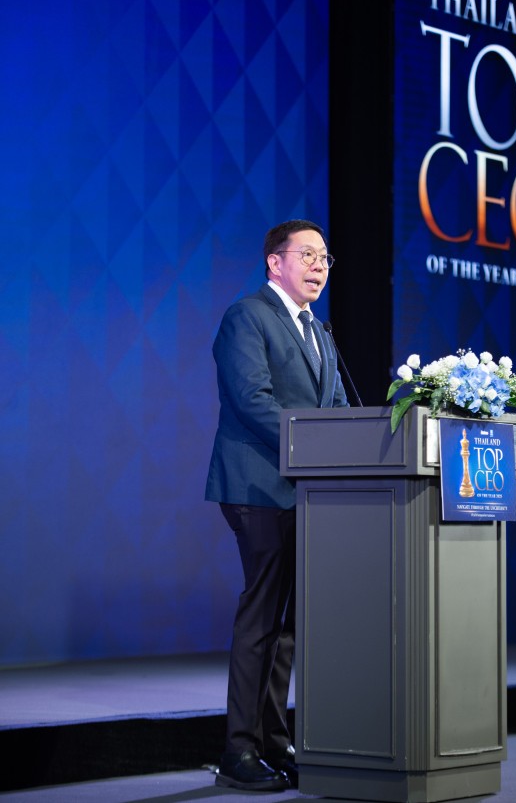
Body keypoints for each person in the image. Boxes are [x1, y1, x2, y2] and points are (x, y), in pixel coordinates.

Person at [205, 219, 349, 791]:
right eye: (308, 255)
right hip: (258, 488)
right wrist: (316, 449)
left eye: (325, 258)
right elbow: (253, 401)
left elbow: (337, 407)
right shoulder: (248, 316)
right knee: (262, 617)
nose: (319, 266)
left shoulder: (319, 330)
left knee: (290, 625)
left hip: (306, 491)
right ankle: (238, 750)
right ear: (275, 262)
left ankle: (273, 740)